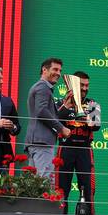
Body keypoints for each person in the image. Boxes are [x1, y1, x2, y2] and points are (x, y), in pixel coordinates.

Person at [55, 71, 100, 215]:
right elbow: (54, 120)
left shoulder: (92, 104)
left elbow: (97, 125)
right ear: (73, 85)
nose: (85, 88)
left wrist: (90, 120)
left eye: (87, 85)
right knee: (61, 189)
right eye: (81, 85)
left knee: (88, 189)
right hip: (65, 149)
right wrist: (67, 106)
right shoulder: (60, 103)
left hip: (84, 150)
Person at [24, 57, 70, 186]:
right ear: (44, 70)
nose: (58, 73)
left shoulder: (40, 87)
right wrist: (61, 128)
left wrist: (65, 106)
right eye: (55, 69)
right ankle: (45, 206)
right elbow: (42, 111)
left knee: (33, 185)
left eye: (60, 70)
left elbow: (44, 112)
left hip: (36, 141)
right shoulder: (43, 87)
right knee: (45, 183)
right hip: (42, 143)